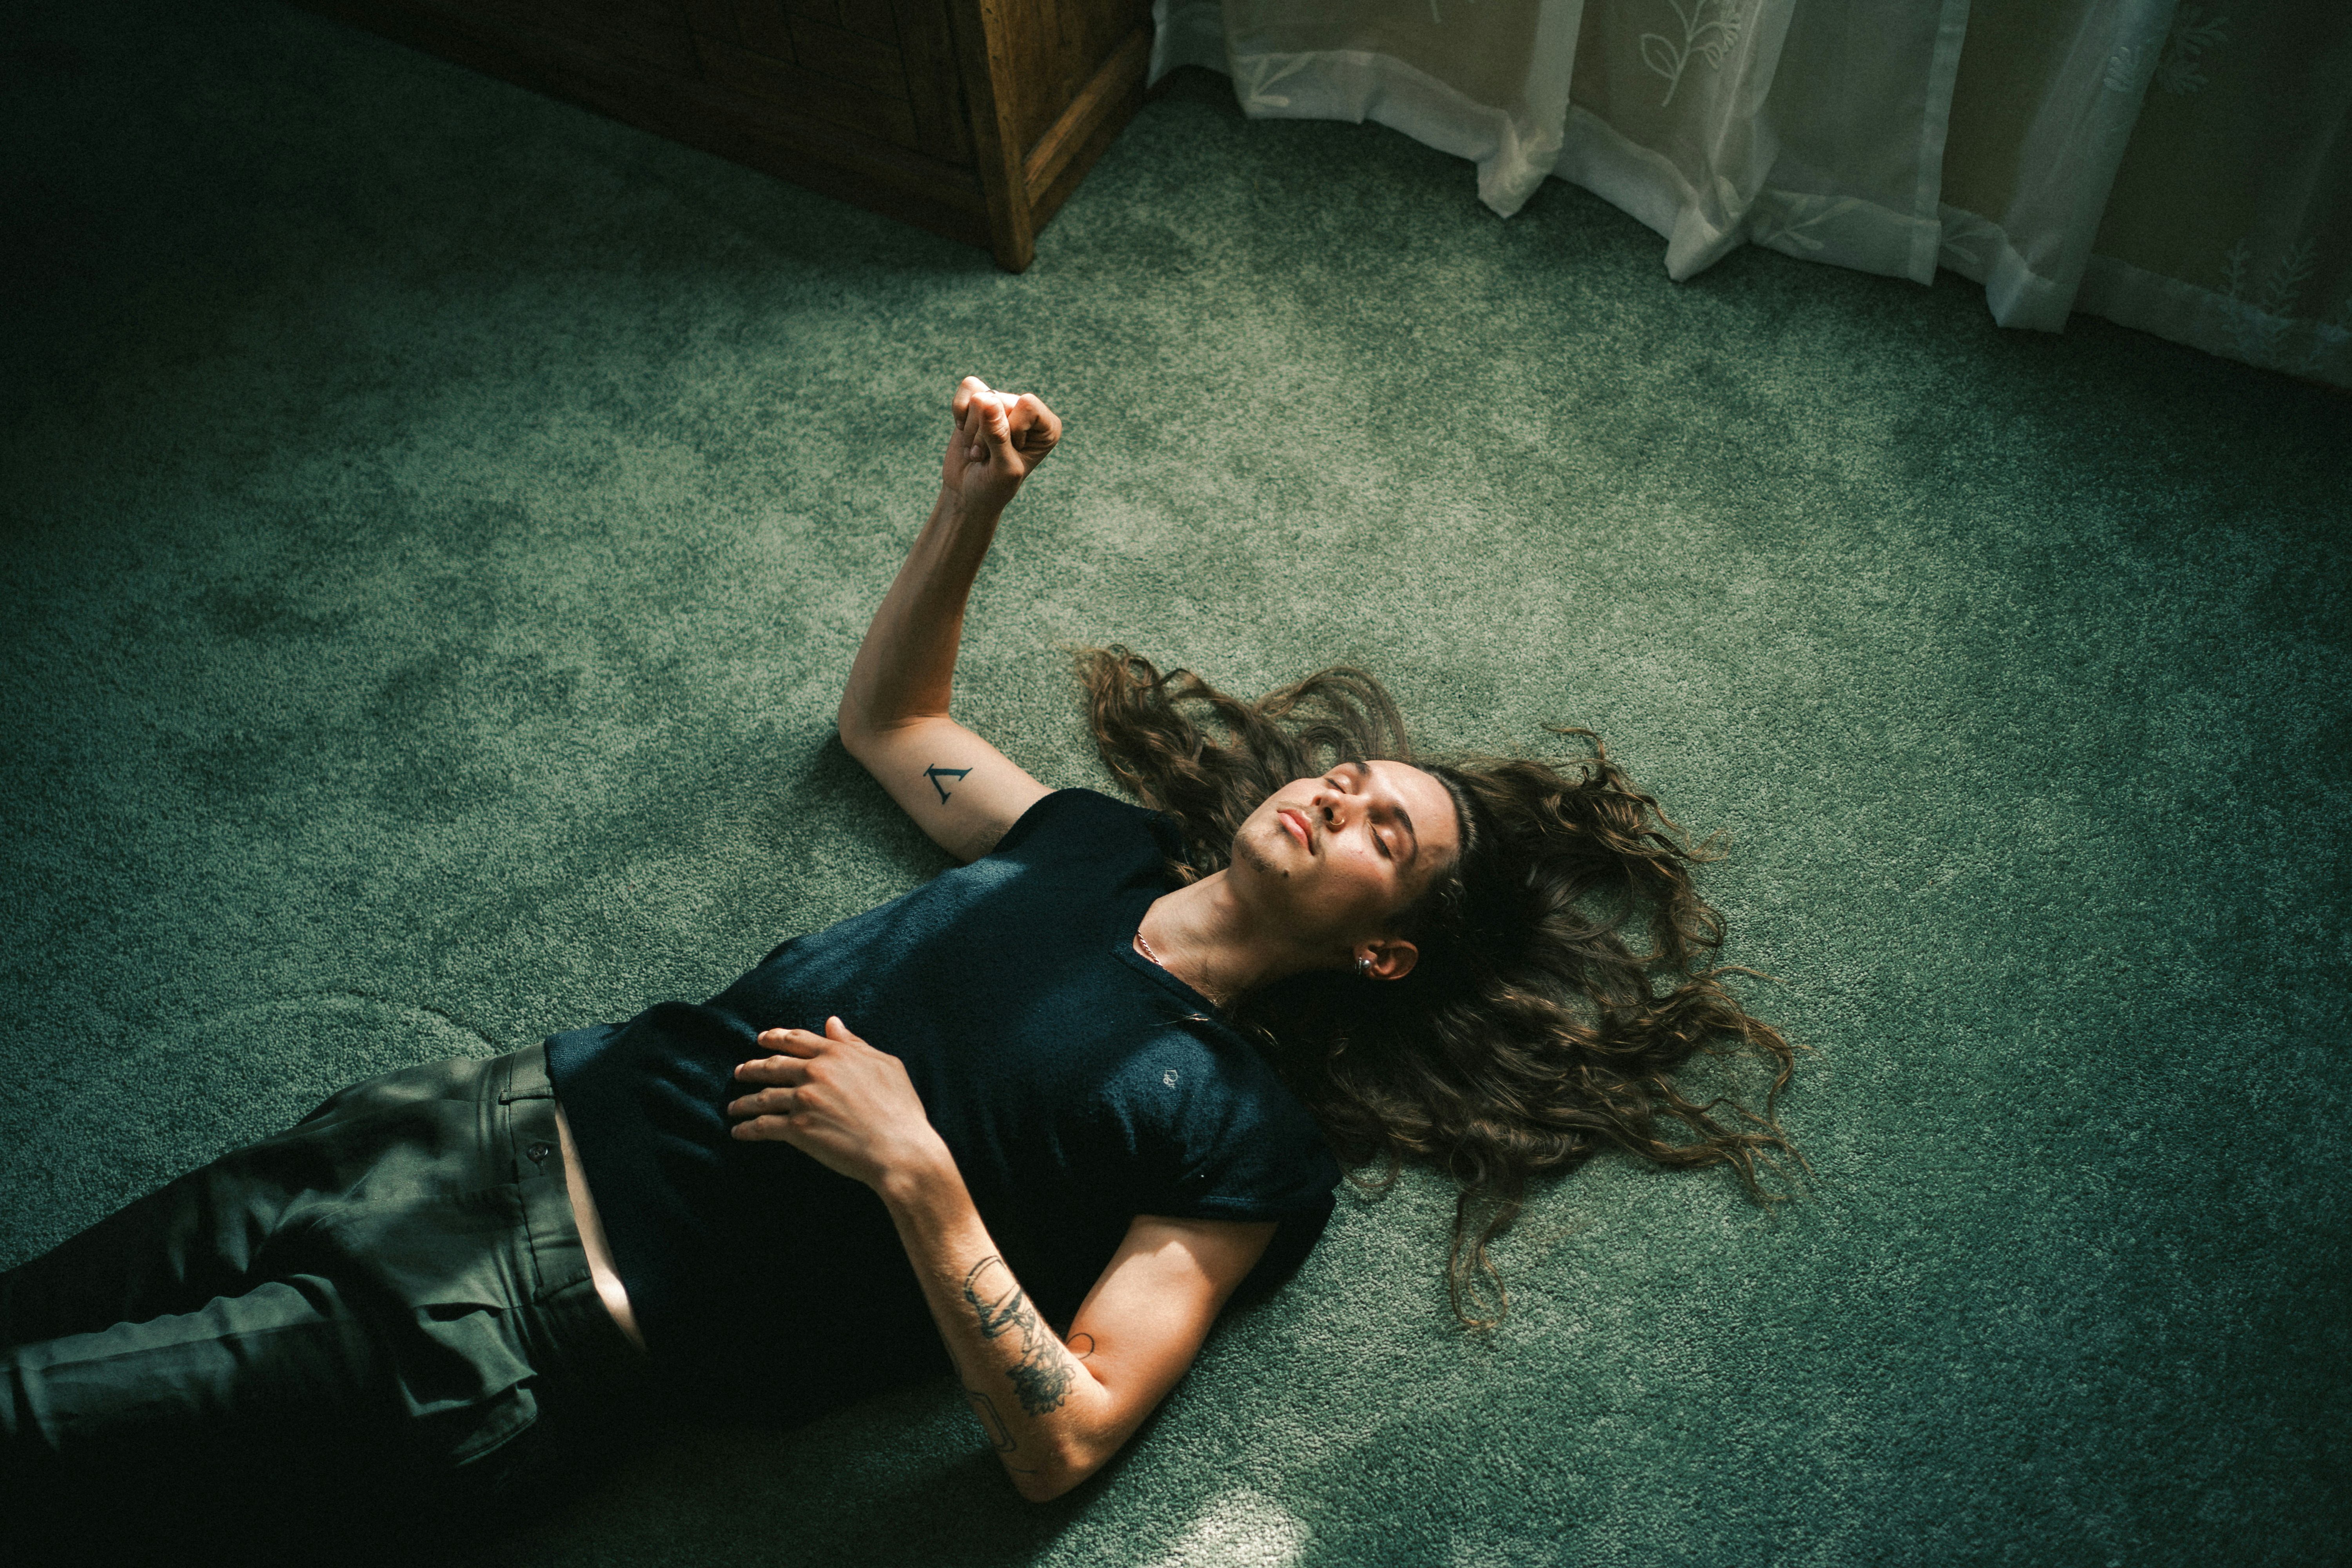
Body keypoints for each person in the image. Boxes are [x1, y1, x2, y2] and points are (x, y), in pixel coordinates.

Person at [0, 379, 1797, 1542]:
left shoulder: (1248, 1146)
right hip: (443, 1126)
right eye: (1349, 778)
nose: (1340, 797)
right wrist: (971, 504)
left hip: (511, 1328)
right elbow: (893, 719)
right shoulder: (1086, 837)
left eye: (1385, 832)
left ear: (1388, 954)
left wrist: (921, 1171)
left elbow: (1065, 1444)